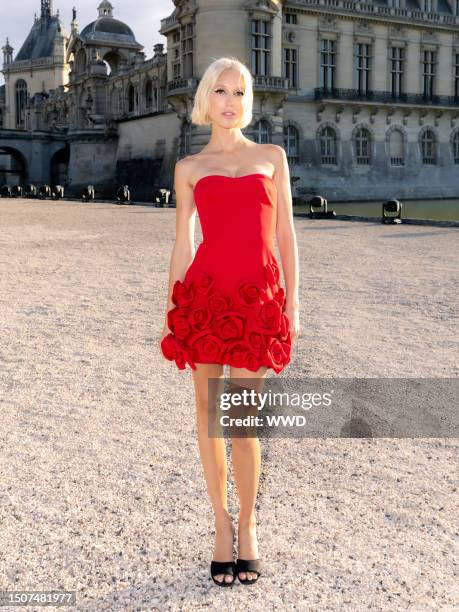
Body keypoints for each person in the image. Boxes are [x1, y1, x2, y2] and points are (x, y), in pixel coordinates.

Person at [159, 57, 300, 586]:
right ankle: (221, 525)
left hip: (256, 302)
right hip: (206, 300)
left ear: (248, 101)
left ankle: (249, 521)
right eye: (220, 91)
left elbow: (286, 237)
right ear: (206, 100)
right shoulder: (189, 168)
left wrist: (291, 307)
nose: (230, 101)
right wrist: (172, 311)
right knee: (208, 414)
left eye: (239, 92)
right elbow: (182, 243)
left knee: (243, 423)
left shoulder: (272, 157)